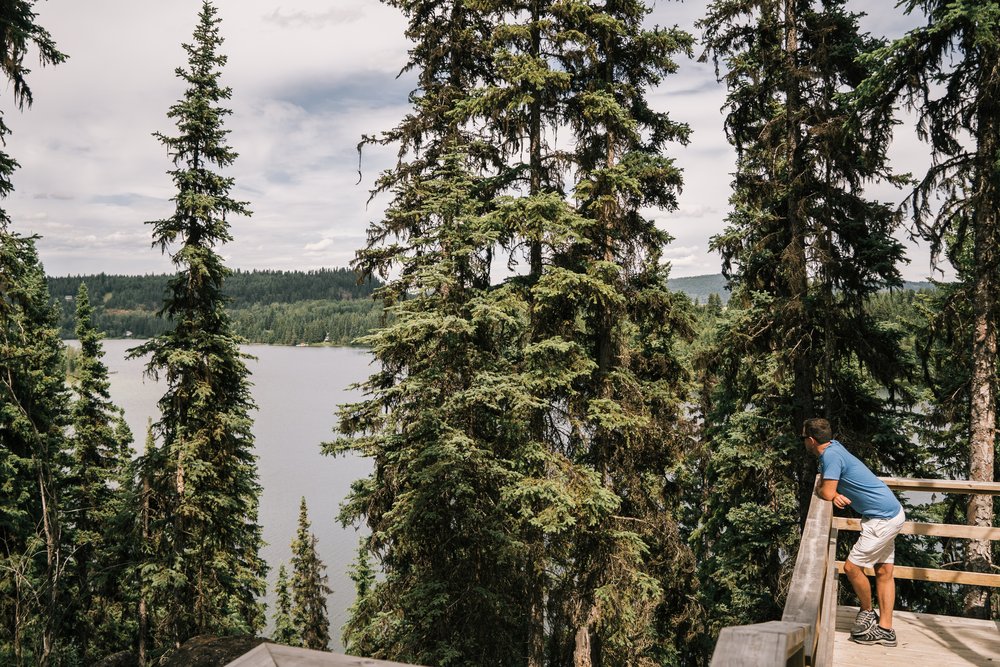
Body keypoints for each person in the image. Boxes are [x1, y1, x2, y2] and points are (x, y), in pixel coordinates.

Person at [802, 417, 905, 647]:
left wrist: (828, 490)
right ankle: (886, 630)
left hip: (883, 519)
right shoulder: (835, 447)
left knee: (851, 567)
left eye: (803, 438)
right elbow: (832, 490)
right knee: (883, 570)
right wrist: (832, 491)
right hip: (890, 511)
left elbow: (826, 492)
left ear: (810, 440)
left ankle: (867, 612)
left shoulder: (830, 456)